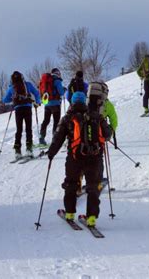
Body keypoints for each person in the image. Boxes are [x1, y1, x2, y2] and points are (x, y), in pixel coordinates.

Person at [47, 91, 112, 227]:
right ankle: (91, 218)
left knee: (71, 184)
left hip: (75, 157)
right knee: (93, 187)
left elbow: (58, 137)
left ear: (72, 101)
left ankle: (70, 213)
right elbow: (107, 134)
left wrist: (51, 153)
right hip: (94, 157)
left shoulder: (67, 118)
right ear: (85, 101)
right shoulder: (97, 116)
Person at [3, 71, 41, 159]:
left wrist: (12, 98)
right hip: (27, 108)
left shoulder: (12, 87)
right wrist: (37, 102)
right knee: (28, 129)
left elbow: (5, 100)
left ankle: (17, 151)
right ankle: (29, 149)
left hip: (18, 109)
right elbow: (36, 93)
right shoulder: (28, 84)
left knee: (19, 129)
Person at [39, 68, 66, 145]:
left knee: (46, 120)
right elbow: (61, 92)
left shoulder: (46, 81)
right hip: (56, 104)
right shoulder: (57, 81)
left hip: (47, 104)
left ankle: (41, 137)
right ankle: (55, 139)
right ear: (57, 73)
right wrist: (64, 90)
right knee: (56, 122)